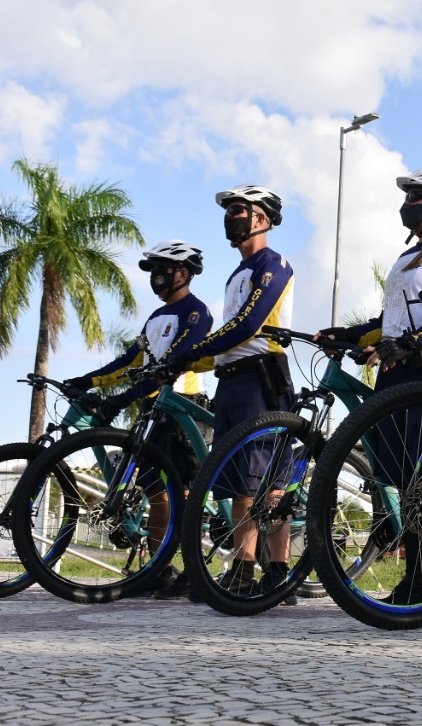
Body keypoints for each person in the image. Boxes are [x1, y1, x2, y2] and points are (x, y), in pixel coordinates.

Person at [316, 167, 422, 603]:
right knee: (406, 483)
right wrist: (344, 336)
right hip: (395, 372)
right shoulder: (407, 257)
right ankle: (413, 579)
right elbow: (387, 324)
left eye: (416, 198)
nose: (407, 206)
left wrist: (411, 344)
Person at [154, 185, 297, 603]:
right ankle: (246, 568)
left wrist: (195, 349)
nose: (230, 217)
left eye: (238, 209)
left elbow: (248, 326)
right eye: (229, 210)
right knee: (239, 482)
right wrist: (188, 360)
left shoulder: (275, 264)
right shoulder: (237, 272)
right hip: (231, 380)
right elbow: (225, 340)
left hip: (262, 378)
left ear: (261, 218)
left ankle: (269, 571)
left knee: (264, 483)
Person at [65, 239, 213, 595]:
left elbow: (177, 359)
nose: (157, 277)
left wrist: (128, 394)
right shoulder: (155, 317)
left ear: (183, 273)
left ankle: (195, 566)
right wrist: (90, 379)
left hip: (183, 407)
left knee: (188, 493)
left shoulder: (196, 312)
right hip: (151, 410)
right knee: (155, 491)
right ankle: (158, 568)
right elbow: (130, 360)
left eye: (164, 270)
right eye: (154, 271)